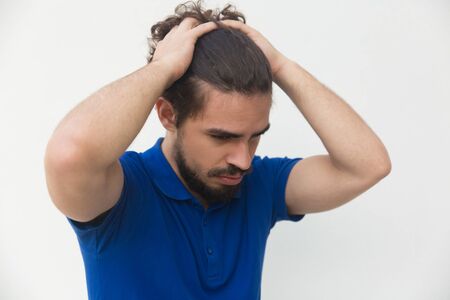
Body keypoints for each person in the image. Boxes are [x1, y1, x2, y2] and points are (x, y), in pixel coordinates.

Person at [44, 1, 391, 299]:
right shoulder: (121, 193)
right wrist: (162, 68)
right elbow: (68, 154)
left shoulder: (260, 186)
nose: (243, 160)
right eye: (222, 137)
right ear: (167, 114)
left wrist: (281, 66)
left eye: (255, 136)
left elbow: (367, 165)